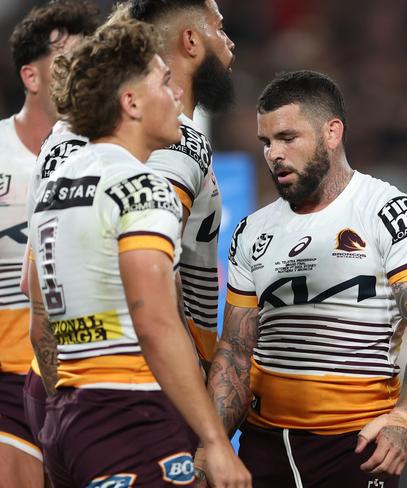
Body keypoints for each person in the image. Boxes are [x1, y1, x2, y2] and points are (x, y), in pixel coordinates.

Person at [202, 70, 407, 488]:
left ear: (332, 132)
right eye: (266, 142)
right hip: (264, 449)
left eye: (287, 138)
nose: (273, 154)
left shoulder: (393, 215)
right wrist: (210, 444)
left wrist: (404, 420)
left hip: (354, 448)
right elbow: (234, 352)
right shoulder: (251, 231)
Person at [29, 19, 249, 487]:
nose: (175, 97)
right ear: (130, 103)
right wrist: (213, 438)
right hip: (132, 411)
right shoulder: (142, 186)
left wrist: (64, 408)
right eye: (164, 83)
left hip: (69, 414)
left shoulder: (56, 184)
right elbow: (155, 321)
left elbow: (38, 313)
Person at [0, 1, 98, 485]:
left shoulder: (110, 158)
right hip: (8, 382)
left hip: (86, 378)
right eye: (65, 61)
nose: (80, 72)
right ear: (32, 77)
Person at [129, 0, 236, 368]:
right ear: (190, 41)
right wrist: (189, 379)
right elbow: (152, 261)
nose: (229, 43)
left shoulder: (101, 131)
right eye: (219, 29)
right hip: (161, 379)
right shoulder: (177, 136)